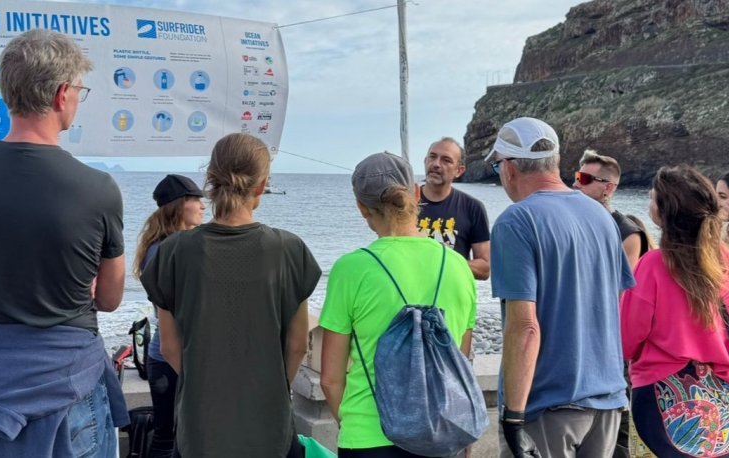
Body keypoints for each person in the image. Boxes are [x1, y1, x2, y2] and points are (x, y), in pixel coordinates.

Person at [0, 29, 128, 458]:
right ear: (63, 94)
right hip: (66, 380)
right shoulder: (98, 188)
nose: (79, 98)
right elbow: (111, 297)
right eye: (80, 89)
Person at [142, 133, 321, 458]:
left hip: (200, 426)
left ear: (210, 180)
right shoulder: (289, 250)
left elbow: (169, 347)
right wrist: (272, 388)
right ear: (261, 184)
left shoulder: (172, 251)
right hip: (269, 425)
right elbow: (297, 344)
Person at [488, 117, 634, 458]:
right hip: (606, 402)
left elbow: (524, 327)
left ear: (508, 167)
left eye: (497, 167)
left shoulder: (516, 220)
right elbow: (612, 305)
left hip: (547, 405)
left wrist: (513, 418)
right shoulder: (600, 216)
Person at [318, 152, 477, 458]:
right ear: (416, 193)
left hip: (367, 438)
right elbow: (460, 359)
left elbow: (330, 379)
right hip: (442, 434)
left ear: (361, 207)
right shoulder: (458, 266)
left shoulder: (351, 269)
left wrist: (352, 426)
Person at [621, 166, 729, 457]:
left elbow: (626, 339)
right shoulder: (725, 259)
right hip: (721, 392)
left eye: (652, 199)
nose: (648, 204)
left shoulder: (652, 265)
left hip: (661, 393)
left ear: (666, 212)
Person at [132, 174, 205, 458]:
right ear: (177, 206)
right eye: (195, 199)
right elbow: (177, 309)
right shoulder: (162, 251)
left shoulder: (180, 245)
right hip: (169, 359)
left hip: (182, 356)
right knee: (167, 439)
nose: (202, 206)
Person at [419, 138, 491, 280]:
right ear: (425, 161)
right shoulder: (404, 204)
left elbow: (484, 269)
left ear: (459, 171)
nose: (436, 164)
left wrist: (447, 259)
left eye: (446, 160)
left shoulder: (472, 208)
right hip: (408, 297)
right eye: (432, 157)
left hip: (451, 297)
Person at [573, 149, 648, 268]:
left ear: (608, 188)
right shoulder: (567, 221)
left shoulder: (627, 233)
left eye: (584, 179)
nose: (575, 184)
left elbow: (625, 285)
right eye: (577, 177)